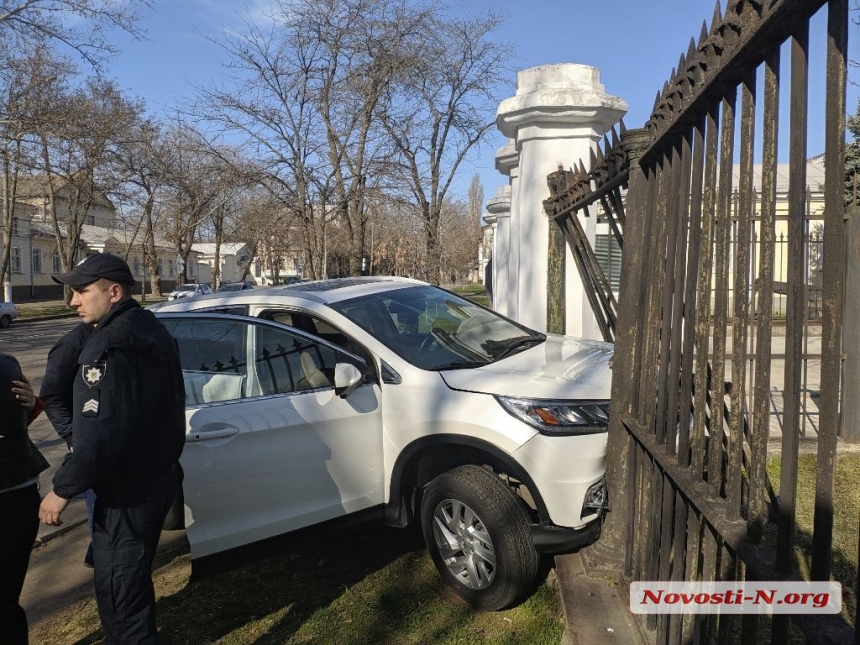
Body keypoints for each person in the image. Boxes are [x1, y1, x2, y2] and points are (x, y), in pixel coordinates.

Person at [38, 253, 186, 644]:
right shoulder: (148, 326)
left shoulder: (108, 348)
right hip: (154, 479)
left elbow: (101, 435)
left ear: (114, 292)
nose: (73, 301)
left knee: (121, 594)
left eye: (82, 292)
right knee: (132, 578)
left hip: (127, 490)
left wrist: (62, 489)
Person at [0, 355, 48, 645]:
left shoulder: (7, 364)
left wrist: (32, 404)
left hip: (15, 497)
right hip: (18, 495)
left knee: (4, 600)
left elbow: (16, 420)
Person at [40, 321, 95, 567]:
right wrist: (73, 437)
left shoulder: (128, 335)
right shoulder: (72, 345)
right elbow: (52, 396)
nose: (74, 301)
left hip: (130, 450)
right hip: (92, 450)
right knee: (103, 523)